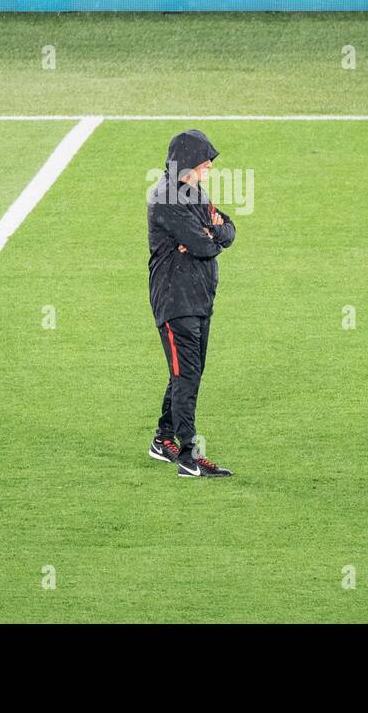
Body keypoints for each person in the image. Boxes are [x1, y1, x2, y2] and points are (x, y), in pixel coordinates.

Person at [146, 129, 236, 477]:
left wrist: (212, 231)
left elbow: (228, 229)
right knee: (187, 376)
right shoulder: (165, 198)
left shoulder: (193, 193)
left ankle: (162, 439)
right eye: (204, 161)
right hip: (175, 301)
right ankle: (188, 456)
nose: (210, 167)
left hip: (198, 299)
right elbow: (207, 246)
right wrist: (209, 234)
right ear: (186, 163)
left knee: (188, 372)